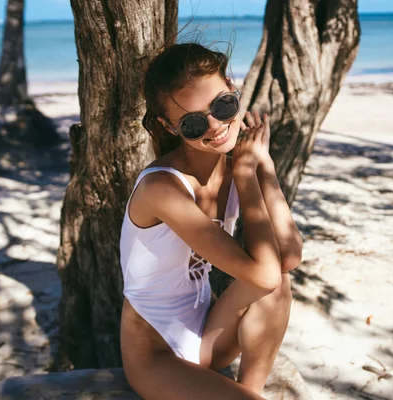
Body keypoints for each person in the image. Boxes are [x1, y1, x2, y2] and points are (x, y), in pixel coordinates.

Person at [119, 43, 302, 399]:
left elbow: (288, 257)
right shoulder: (162, 188)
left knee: (279, 281)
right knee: (270, 277)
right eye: (193, 122)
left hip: (209, 334)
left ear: (233, 90)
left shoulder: (237, 168)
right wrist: (248, 173)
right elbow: (261, 274)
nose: (216, 126)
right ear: (168, 126)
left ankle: (250, 390)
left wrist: (263, 165)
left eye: (223, 106)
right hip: (156, 356)